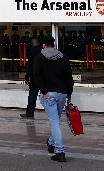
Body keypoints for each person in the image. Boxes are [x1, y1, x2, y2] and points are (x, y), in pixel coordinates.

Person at [31, 35, 74, 163]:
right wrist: (69, 94)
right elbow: (69, 78)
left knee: (54, 122)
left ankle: (60, 151)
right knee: (56, 121)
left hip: (48, 94)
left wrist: (44, 91)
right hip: (61, 94)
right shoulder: (63, 57)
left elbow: (36, 75)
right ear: (54, 45)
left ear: (44, 45)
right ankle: (51, 142)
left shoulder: (39, 57)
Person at [21, 35, 43, 118]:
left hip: (35, 78)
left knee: (32, 96)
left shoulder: (32, 52)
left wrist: (27, 76)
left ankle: (29, 113)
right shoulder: (43, 51)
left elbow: (30, 66)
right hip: (44, 77)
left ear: (32, 44)